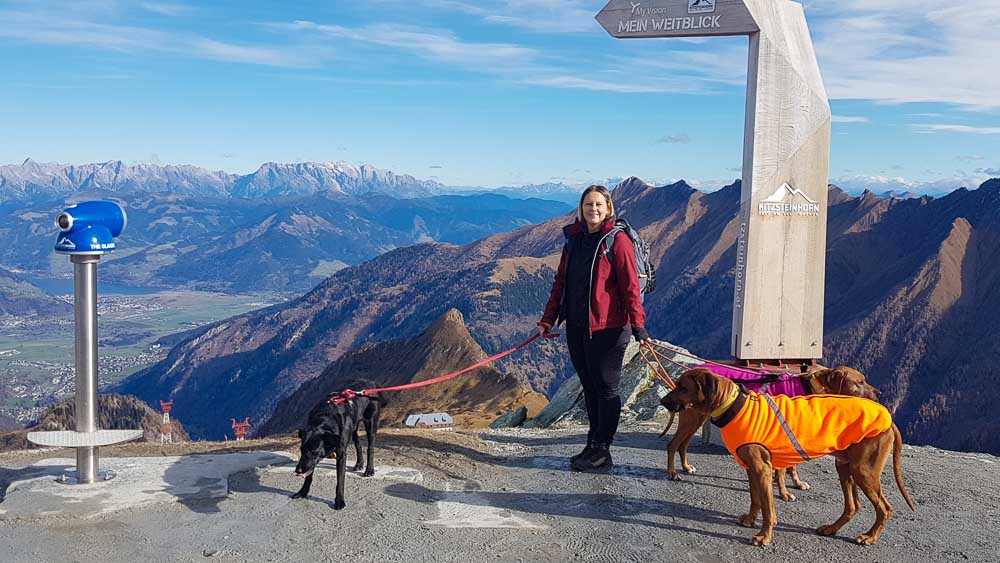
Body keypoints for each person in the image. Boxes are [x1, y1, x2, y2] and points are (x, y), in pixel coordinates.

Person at [538, 185, 651, 472]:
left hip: (609, 328)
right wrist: (548, 319)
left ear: (608, 207)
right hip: (577, 327)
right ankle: (593, 444)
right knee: (589, 387)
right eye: (588, 204)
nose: (593, 209)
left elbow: (630, 288)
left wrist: (639, 327)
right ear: (581, 208)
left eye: (599, 204)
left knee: (606, 388)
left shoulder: (618, 241)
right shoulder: (574, 240)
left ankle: (603, 449)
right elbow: (560, 282)